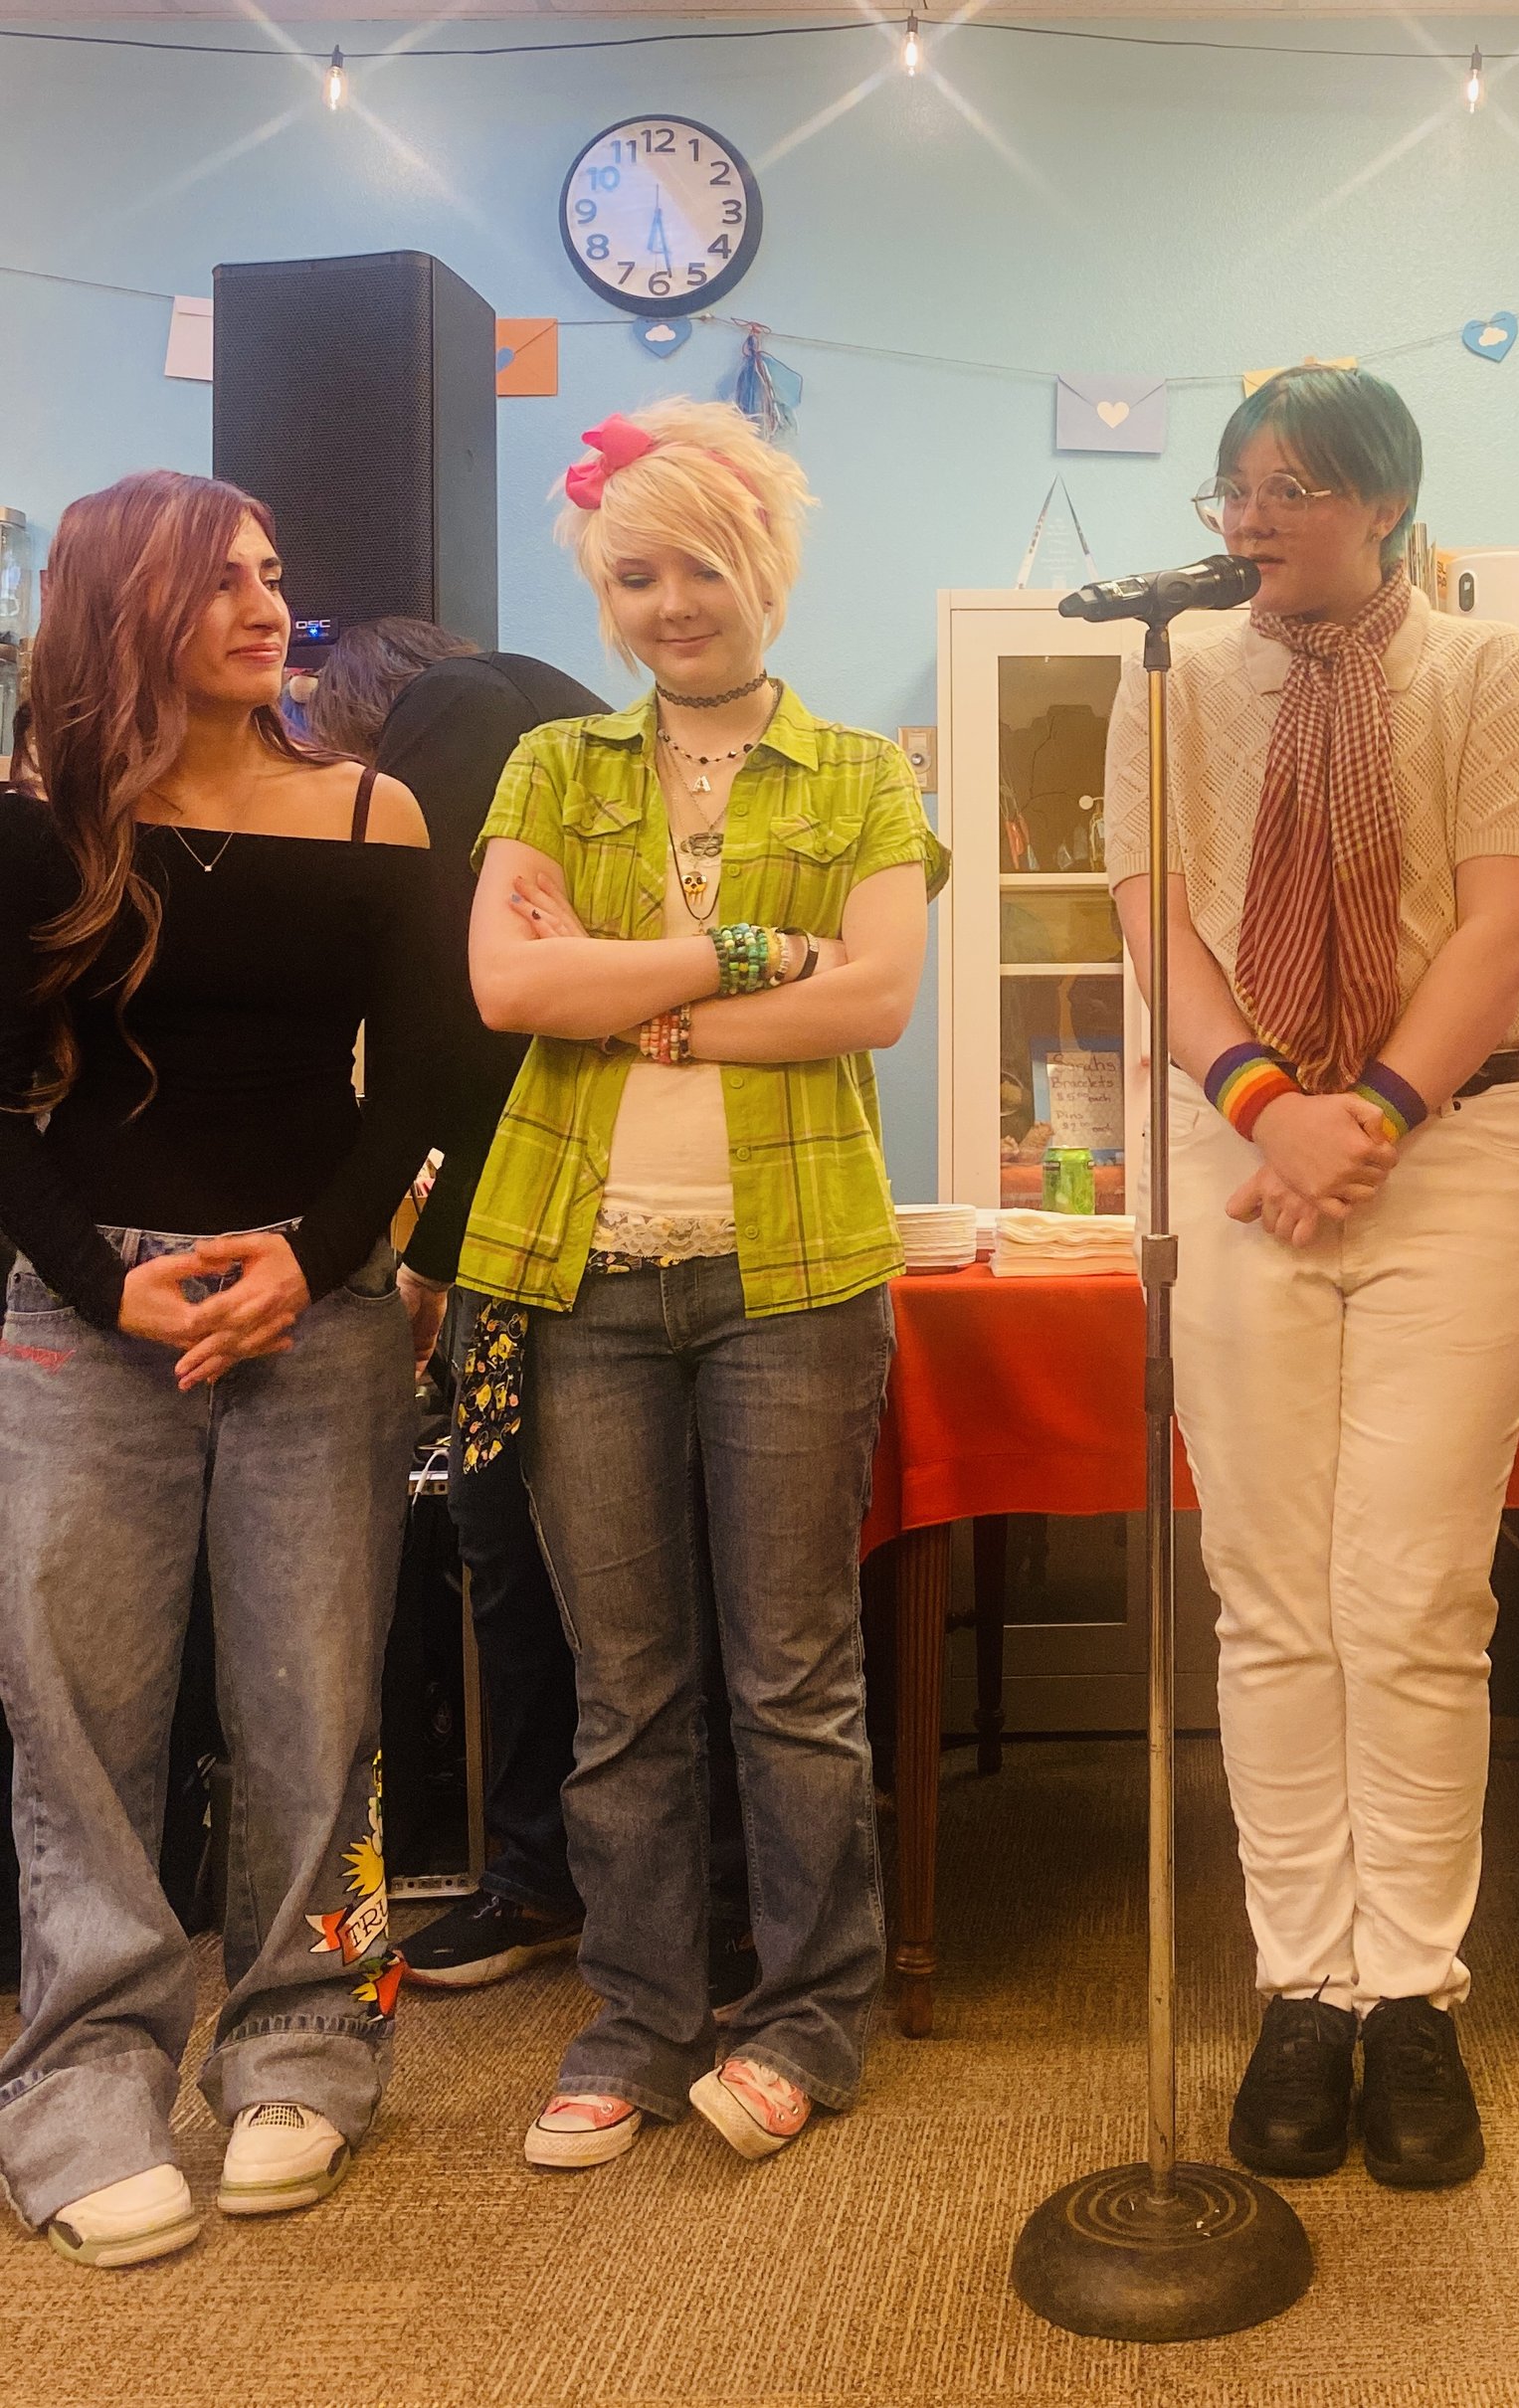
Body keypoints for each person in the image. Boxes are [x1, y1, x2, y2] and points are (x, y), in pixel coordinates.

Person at [459, 400, 945, 2172]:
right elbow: (508, 991)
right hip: (578, 1264)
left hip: (795, 1269)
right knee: (626, 1684)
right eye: (634, 573)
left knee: (793, 1672)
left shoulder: (863, 772)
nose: (671, 603)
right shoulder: (552, 766)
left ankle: (808, 2012)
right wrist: (748, 957)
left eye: (703, 566)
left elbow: (875, 998)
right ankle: (638, 2015)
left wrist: (633, 993)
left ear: (766, 566)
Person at [1102, 367, 1519, 2189]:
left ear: (1383, 499)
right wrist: (1269, 1111)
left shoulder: (1487, 667)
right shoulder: (1168, 674)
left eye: (1291, 485)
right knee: (1269, 1595)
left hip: (1446, 1152)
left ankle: (1414, 1993)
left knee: (1415, 1595)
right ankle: (1304, 1985)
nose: (1248, 516)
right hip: (1241, 1148)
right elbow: (1156, 918)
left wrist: (1362, 1117)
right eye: (1232, 486)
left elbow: (1503, 917)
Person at [0, 472, 443, 2268]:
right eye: (222, 582)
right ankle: (81, 2082)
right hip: (81, 1308)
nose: (271, 608)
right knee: (74, 1714)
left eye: (274, 574)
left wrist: (314, 1261)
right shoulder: (34, 826)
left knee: (314, 1707)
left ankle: (306, 2044)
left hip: (315, 1303)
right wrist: (103, 1291)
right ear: (124, 609)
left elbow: (423, 1082)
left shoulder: (375, 810)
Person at [309, 620, 608, 1989]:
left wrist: (421, 1261)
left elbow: (460, 1021)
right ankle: (595, 1872)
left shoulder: (441, 719)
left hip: (535, 1220)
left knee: (504, 1522)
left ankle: (539, 1874)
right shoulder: (553, 702)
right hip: (590, 1192)